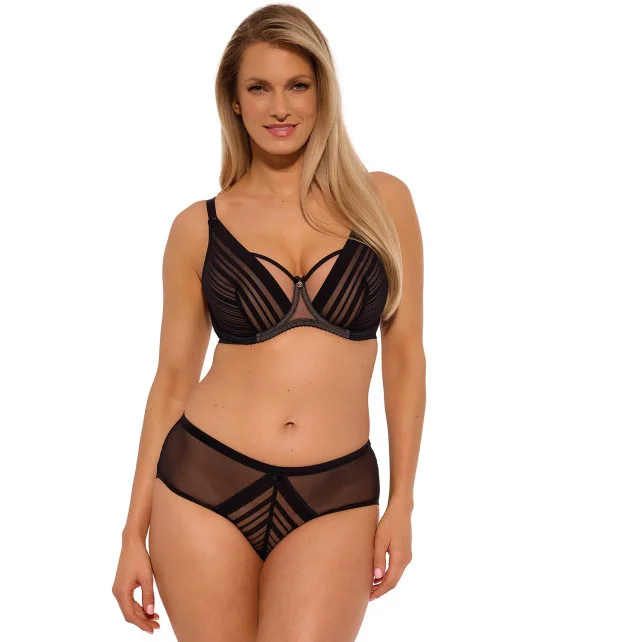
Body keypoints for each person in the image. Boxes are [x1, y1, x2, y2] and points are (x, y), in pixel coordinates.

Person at [112, 4, 425, 640]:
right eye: (259, 88)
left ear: (322, 92)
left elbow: (405, 356)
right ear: (233, 101)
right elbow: (171, 382)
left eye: (297, 85)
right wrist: (131, 534)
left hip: (336, 492)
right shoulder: (198, 228)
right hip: (203, 482)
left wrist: (402, 502)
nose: (280, 107)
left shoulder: (383, 202)